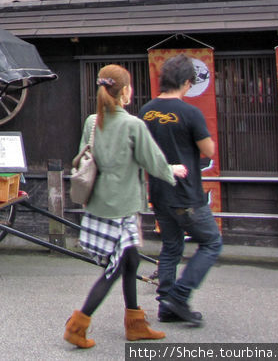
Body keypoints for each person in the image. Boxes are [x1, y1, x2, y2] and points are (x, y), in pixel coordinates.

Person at [64, 64, 188, 349]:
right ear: (125, 92)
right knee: (115, 267)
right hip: (122, 207)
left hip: (99, 203)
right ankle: (77, 326)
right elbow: (152, 161)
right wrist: (173, 171)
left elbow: (83, 154)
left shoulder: (93, 122)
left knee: (130, 261)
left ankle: (136, 324)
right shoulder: (133, 125)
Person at [139, 53, 223, 327]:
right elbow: (208, 150)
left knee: (171, 246)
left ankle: (166, 304)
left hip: (160, 193)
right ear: (187, 82)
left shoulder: (146, 111)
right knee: (211, 242)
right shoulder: (190, 112)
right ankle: (179, 295)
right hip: (187, 194)